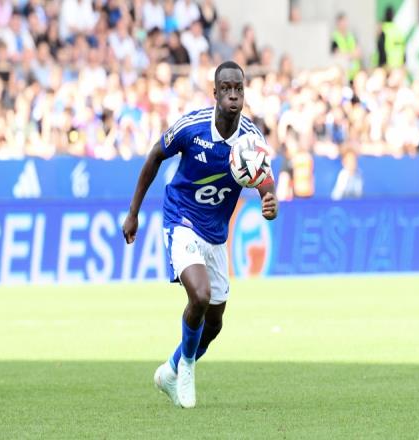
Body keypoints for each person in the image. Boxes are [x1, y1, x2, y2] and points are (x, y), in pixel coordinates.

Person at [122, 61, 278, 409]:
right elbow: (155, 156)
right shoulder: (192, 128)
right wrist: (133, 213)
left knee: (215, 323)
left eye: (238, 88)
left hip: (216, 233)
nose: (233, 95)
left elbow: (265, 183)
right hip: (181, 218)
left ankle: (171, 369)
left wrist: (271, 201)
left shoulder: (251, 139)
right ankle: (188, 368)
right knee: (201, 294)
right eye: (227, 88)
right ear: (215, 93)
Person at [331, 12, 361, 82]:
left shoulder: (351, 35)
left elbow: (359, 53)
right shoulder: (334, 37)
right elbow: (337, 54)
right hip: (343, 74)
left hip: (355, 73)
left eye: (345, 21)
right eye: (342, 22)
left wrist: (347, 54)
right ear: (338, 23)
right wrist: (352, 54)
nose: (344, 24)